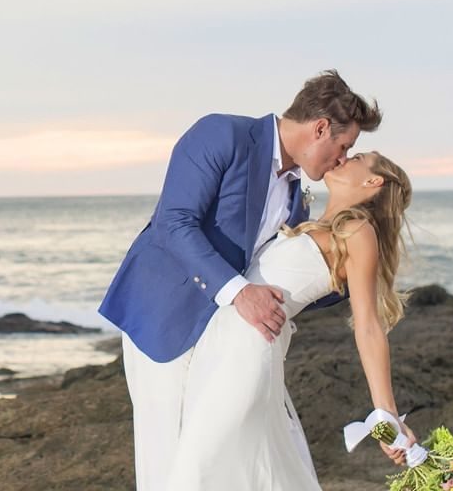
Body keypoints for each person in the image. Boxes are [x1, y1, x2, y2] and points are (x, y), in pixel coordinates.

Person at [98, 70, 381, 490]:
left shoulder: (295, 198)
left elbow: (278, 273)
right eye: (344, 147)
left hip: (226, 343)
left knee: (214, 463)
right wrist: (240, 293)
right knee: (168, 461)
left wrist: (353, 272)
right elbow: (173, 223)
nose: (342, 159)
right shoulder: (222, 135)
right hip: (164, 319)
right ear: (320, 128)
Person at [164, 150, 417, 490]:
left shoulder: (357, 232)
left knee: (201, 469)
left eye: (356, 157)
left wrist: (386, 413)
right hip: (218, 348)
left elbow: (368, 325)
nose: (342, 158)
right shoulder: (308, 223)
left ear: (374, 181)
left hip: (248, 352)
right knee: (222, 469)